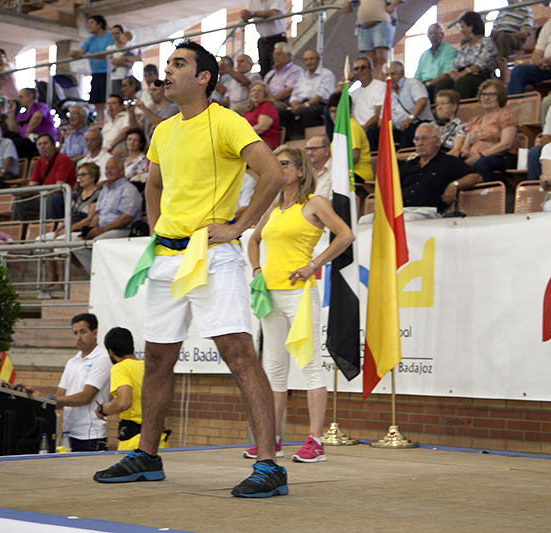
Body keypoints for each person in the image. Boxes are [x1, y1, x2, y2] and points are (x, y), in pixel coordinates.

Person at [92, 40, 288, 499]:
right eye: (168, 64)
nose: (168, 71)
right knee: (158, 357)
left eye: (178, 64)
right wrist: (159, 226)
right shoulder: (163, 130)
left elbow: (274, 175)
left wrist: (240, 225)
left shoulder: (225, 121)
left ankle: (269, 464)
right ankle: (147, 456)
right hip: (167, 257)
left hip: (212, 255)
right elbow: (155, 183)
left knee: (239, 353)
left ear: (203, 77)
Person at [247, 145, 354, 463]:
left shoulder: (314, 203)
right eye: (274, 164)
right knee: (274, 370)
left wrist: (314, 264)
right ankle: (273, 439)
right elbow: (253, 239)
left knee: (309, 366)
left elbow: (345, 234)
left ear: (300, 170)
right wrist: (256, 270)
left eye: (283, 164)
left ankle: (314, 441)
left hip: (300, 293)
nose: (278, 170)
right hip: (271, 294)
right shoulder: (273, 205)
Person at [95, 327, 170, 451]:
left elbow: (123, 402)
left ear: (110, 351)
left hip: (135, 443)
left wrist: (103, 409)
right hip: (160, 440)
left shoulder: (120, 368)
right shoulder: (149, 368)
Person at [71, 156, 141, 273]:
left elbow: (126, 218)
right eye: (107, 168)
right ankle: (97, 274)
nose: (108, 171)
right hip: (104, 230)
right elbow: (97, 215)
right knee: (76, 244)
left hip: (123, 230)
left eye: (112, 168)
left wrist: (102, 230)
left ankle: (103, 274)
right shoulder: (104, 190)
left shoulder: (129, 189)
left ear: (121, 171)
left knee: (98, 243)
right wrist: (91, 230)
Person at [54, 313, 111, 452]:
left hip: (91, 435)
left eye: (83, 332)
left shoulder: (103, 358)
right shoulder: (72, 361)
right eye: (75, 333)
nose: (78, 337)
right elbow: (59, 396)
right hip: (69, 433)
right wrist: (39, 398)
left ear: (95, 332)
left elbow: (86, 397)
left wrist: (53, 400)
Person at [399, 122, 483, 217]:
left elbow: (476, 177)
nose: (419, 143)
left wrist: (454, 184)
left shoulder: (448, 162)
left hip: (428, 212)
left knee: (405, 222)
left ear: (437, 141)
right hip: (402, 210)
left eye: (424, 138)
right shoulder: (408, 165)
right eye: (417, 139)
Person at [40, 163, 101, 289]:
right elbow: (70, 214)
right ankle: (52, 278)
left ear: (93, 177)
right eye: (78, 175)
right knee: (40, 241)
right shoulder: (78, 195)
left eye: (83, 174)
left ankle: (63, 280)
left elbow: (89, 219)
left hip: (81, 230)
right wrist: (61, 226)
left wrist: (67, 230)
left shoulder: (98, 194)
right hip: (70, 228)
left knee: (60, 243)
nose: (79, 178)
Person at [457, 80, 519, 182]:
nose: (486, 98)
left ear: (499, 96)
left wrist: (480, 156)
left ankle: (484, 194)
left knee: (481, 163)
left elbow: (506, 144)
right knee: (452, 164)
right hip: (475, 157)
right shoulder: (475, 120)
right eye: (483, 94)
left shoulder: (506, 115)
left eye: (491, 94)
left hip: (500, 156)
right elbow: (465, 147)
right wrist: (464, 154)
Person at [12, 133, 77, 223]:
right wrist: (22, 191)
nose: (42, 147)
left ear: (53, 145)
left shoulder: (63, 159)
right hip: (44, 194)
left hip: (63, 197)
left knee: (49, 197)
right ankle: (17, 232)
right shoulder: (39, 161)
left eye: (45, 143)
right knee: (19, 200)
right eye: (39, 144)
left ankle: (48, 229)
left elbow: (59, 189)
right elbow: (33, 185)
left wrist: (35, 190)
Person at [433, 12, 498, 100]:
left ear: (471, 26)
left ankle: (461, 111)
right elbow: (455, 65)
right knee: (443, 83)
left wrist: (464, 73)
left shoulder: (487, 42)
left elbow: (482, 63)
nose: (461, 31)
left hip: (481, 77)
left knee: (463, 82)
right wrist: (453, 73)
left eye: (462, 27)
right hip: (463, 76)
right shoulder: (465, 47)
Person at [279, 50, 335, 140]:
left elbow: (320, 95)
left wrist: (304, 106)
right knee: (282, 114)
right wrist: (294, 105)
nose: (309, 62)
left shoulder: (327, 74)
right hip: (301, 104)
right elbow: (295, 94)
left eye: (312, 59)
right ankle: (288, 141)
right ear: (303, 62)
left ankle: (308, 140)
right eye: (306, 59)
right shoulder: (302, 77)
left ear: (318, 60)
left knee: (307, 112)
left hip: (319, 104)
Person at [69, 15, 116, 121]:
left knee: (108, 101)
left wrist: (89, 55)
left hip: (108, 73)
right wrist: (74, 53)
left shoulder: (110, 37)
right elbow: (81, 51)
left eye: (92, 22)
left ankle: (110, 121)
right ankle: (100, 123)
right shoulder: (90, 40)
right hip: (96, 74)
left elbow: (109, 54)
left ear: (99, 24)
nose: (89, 25)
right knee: (97, 102)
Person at [342, 0, 404, 81]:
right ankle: (374, 85)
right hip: (364, 27)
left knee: (381, 59)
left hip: (381, 23)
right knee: (370, 63)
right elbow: (354, 2)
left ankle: (380, 85)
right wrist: (349, 3)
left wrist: (391, 5)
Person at [326, 92, 373, 183]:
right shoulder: (340, 129)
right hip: (345, 174)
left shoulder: (351, 127)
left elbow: (354, 156)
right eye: (332, 111)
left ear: (348, 110)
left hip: (358, 174)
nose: (334, 115)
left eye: (338, 110)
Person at [388, 60, 434, 150]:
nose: (390, 78)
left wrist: (410, 118)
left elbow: (422, 100)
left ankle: (402, 161)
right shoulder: (388, 92)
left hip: (420, 123)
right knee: (374, 133)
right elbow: (383, 116)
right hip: (398, 129)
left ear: (402, 73)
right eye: (387, 75)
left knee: (408, 129)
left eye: (393, 74)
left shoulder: (412, 83)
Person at [348, 56, 386, 151]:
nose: (360, 71)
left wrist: (361, 130)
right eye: (357, 69)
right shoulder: (354, 91)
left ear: (371, 70)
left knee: (370, 134)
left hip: (372, 128)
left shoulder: (380, 86)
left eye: (363, 67)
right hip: (358, 129)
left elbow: (377, 115)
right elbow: (335, 100)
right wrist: (344, 80)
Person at [240, 0, 287, 77]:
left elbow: (273, 13)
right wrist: (244, 15)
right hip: (263, 40)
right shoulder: (252, 1)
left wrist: (252, 14)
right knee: (264, 70)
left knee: (279, 68)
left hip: (277, 39)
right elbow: (246, 15)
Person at [413, 24, 457, 99]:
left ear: (442, 35)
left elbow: (447, 74)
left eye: (436, 33)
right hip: (424, 84)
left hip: (439, 83)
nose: (433, 36)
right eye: (430, 34)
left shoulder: (450, 50)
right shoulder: (424, 55)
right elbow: (417, 77)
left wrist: (428, 84)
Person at [491, 2, 534, 70]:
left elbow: (524, 34)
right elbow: (494, 29)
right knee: (485, 41)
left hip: (515, 39)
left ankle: (503, 71)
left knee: (503, 38)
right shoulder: (502, 11)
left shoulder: (526, 10)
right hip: (499, 37)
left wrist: (504, 35)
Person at [262, 43, 304, 113]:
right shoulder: (270, 73)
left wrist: (268, 100)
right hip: (267, 101)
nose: (275, 57)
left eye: (279, 54)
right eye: (274, 54)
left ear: (288, 55)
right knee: (239, 108)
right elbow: (262, 89)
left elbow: (288, 92)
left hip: (283, 103)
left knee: (266, 107)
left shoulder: (296, 70)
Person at [243, 81, 281, 149]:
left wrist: (243, 133)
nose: (255, 93)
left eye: (259, 90)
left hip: (264, 142)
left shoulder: (267, 106)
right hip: (250, 140)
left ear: (265, 94)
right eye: (253, 90)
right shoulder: (249, 110)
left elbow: (262, 127)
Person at [106, 25, 139, 95]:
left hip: (127, 77)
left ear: (122, 34)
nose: (115, 36)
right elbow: (113, 61)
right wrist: (126, 60)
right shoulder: (109, 48)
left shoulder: (130, 46)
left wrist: (123, 59)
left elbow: (139, 58)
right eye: (113, 34)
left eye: (117, 33)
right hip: (115, 78)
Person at [435, 89, 467, 154]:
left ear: (454, 107)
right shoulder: (432, 126)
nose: (439, 107)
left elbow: (456, 150)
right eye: (437, 104)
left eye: (443, 103)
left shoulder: (462, 126)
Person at [305, 134, 333, 199]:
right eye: (307, 149)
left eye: (313, 149)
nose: (309, 152)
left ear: (326, 150)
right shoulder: (305, 170)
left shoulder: (337, 170)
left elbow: (335, 201)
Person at [123, 128, 150, 193]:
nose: (132, 142)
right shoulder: (122, 160)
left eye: (136, 140)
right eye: (129, 139)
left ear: (141, 144)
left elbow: (140, 179)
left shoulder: (142, 160)